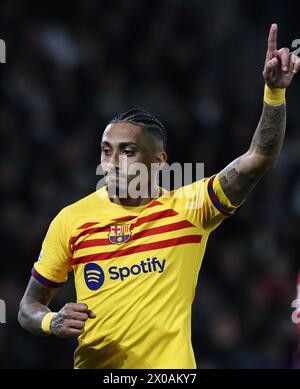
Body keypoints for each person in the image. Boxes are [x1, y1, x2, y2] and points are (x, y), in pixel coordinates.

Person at [18, 24, 299, 369]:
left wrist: (273, 94)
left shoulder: (189, 209)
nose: (112, 162)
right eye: (106, 151)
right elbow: (28, 307)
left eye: (127, 151)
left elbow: (259, 158)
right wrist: (52, 320)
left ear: (158, 160)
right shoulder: (71, 220)